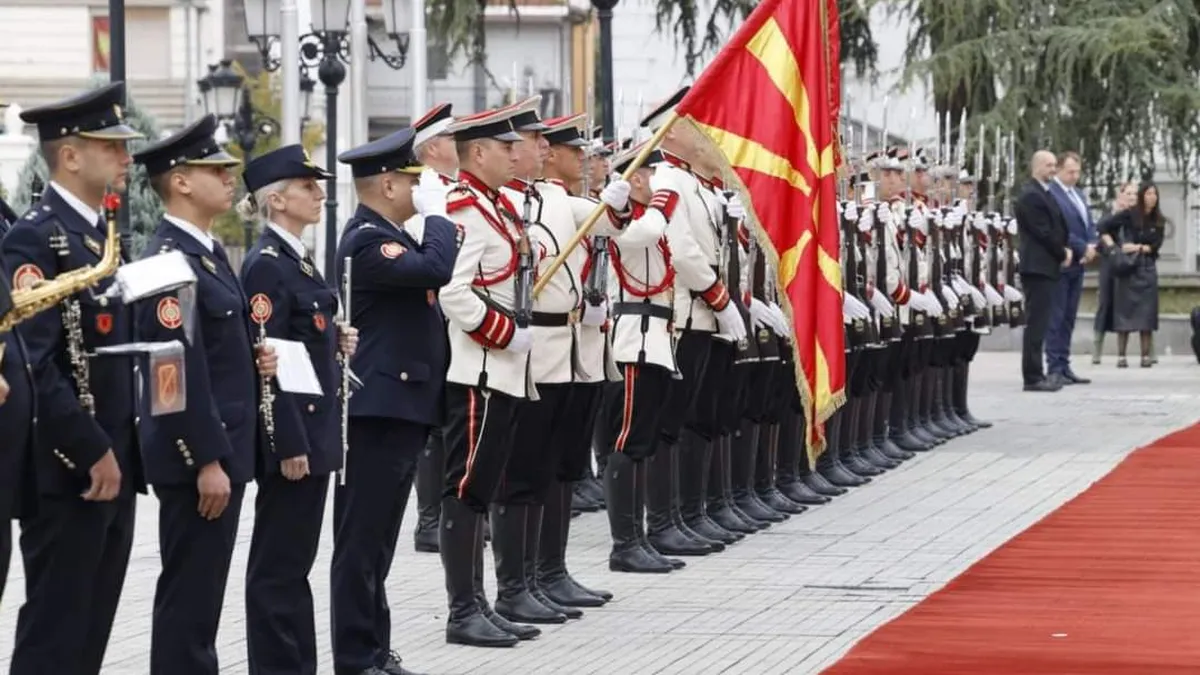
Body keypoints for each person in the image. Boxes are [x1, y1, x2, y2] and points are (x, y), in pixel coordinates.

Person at [2, 82, 144, 675]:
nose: (126, 157)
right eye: (111, 146)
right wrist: (90, 449)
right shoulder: (36, 236)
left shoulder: (101, 237)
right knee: (55, 635)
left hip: (114, 457)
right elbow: (37, 362)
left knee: (90, 633)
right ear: (70, 155)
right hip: (71, 469)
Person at [132, 114, 277, 675]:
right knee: (190, 601)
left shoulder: (209, 252)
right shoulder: (165, 260)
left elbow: (209, 351)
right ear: (181, 181)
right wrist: (205, 459)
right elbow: (168, 375)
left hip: (224, 449)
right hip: (200, 460)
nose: (230, 176)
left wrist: (252, 356)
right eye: (216, 168)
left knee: (202, 597)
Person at [330, 128, 456, 675]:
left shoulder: (389, 235)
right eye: (409, 180)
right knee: (362, 543)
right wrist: (440, 218)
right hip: (377, 408)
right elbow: (437, 269)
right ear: (386, 183)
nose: (416, 188)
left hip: (399, 404)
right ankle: (358, 657)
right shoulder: (367, 238)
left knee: (378, 543)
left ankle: (375, 650)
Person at [236, 144, 361, 675]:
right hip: (296, 441)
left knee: (294, 566)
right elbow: (271, 363)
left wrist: (334, 340)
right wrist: (288, 443)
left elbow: (299, 344)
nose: (319, 194)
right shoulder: (266, 265)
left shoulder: (296, 258)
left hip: (315, 434)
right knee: (278, 569)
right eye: (308, 187)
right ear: (278, 199)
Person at [436, 103, 541, 648]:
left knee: (485, 484)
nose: (515, 153)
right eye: (505, 147)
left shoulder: (496, 206)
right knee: (467, 487)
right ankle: (462, 611)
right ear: (477, 152)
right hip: (479, 365)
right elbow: (453, 290)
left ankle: (480, 603)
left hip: (503, 367)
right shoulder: (466, 211)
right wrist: (501, 331)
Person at [409, 101, 459, 555]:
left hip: (455, 314)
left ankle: (443, 512)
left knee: (449, 420)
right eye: (453, 138)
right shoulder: (424, 189)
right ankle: (429, 520)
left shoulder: (449, 188)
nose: (460, 146)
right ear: (432, 148)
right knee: (437, 424)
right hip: (436, 313)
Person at [1014, 150, 1071, 392]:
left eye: (1054, 165)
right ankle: (1033, 376)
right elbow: (1043, 232)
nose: (1052, 170)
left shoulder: (1045, 192)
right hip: (1037, 266)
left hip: (1046, 266)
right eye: (1048, 165)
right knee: (1036, 323)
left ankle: (1038, 373)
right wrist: (1062, 252)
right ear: (1036, 167)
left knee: (1042, 320)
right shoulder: (1031, 195)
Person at [1098, 182, 1163, 368]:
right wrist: (1113, 246)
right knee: (1124, 313)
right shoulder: (1129, 215)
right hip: (1127, 268)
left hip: (1147, 268)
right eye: (1148, 193)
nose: (1152, 197)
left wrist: (1136, 247)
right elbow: (1103, 225)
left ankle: (1145, 356)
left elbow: (1155, 246)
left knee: (1147, 316)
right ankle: (1121, 356)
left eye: (1154, 194)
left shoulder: (1158, 219)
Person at [1045, 151, 1096, 385]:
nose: (1075, 176)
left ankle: (1064, 364)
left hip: (1079, 264)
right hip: (1061, 263)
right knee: (1056, 316)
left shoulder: (1077, 194)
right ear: (1058, 170)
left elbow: (1089, 223)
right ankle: (1054, 366)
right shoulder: (1053, 194)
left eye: (1077, 171)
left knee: (1069, 317)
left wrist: (1092, 245)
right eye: (1070, 171)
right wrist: (1082, 247)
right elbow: (1062, 228)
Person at [1093, 180, 1137, 364]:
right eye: (1128, 194)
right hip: (1109, 264)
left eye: (1135, 195)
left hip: (1131, 264)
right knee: (1105, 304)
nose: (1132, 198)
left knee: (1133, 306)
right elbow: (1101, 228)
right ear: (1120, 196)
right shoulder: (1111, 215)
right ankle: (1097, 351)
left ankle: (1145, 352)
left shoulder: (1138, 216)